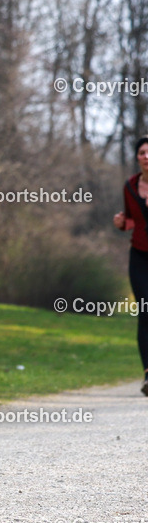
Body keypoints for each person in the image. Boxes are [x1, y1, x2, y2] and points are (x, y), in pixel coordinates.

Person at [113, 135, 148, 395]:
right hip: (139, 256)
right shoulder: (129, 186)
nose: (146, 156)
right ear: (137, 158)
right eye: (142, 153)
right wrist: (120, 222)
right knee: (145, 312)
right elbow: (130, 221)